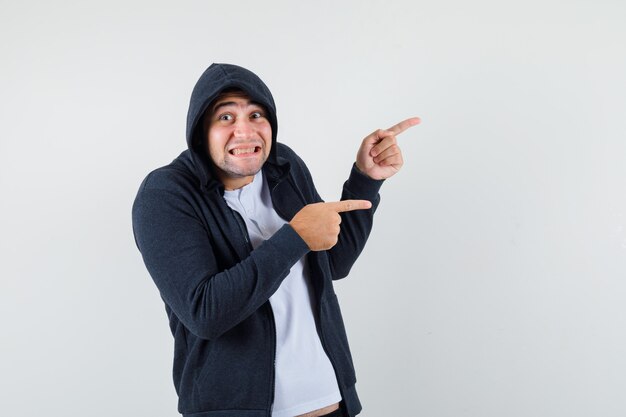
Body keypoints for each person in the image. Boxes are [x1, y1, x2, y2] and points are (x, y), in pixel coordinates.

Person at [132, 63, 419, 417]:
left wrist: (365, 179)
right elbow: (205, 313)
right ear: (200, 129)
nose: (245, 130)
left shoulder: (283, 165)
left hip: (331, 402)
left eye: (256, 114)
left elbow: (334, 262)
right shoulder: (165, 195)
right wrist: (294, 236)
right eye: (225, 117)